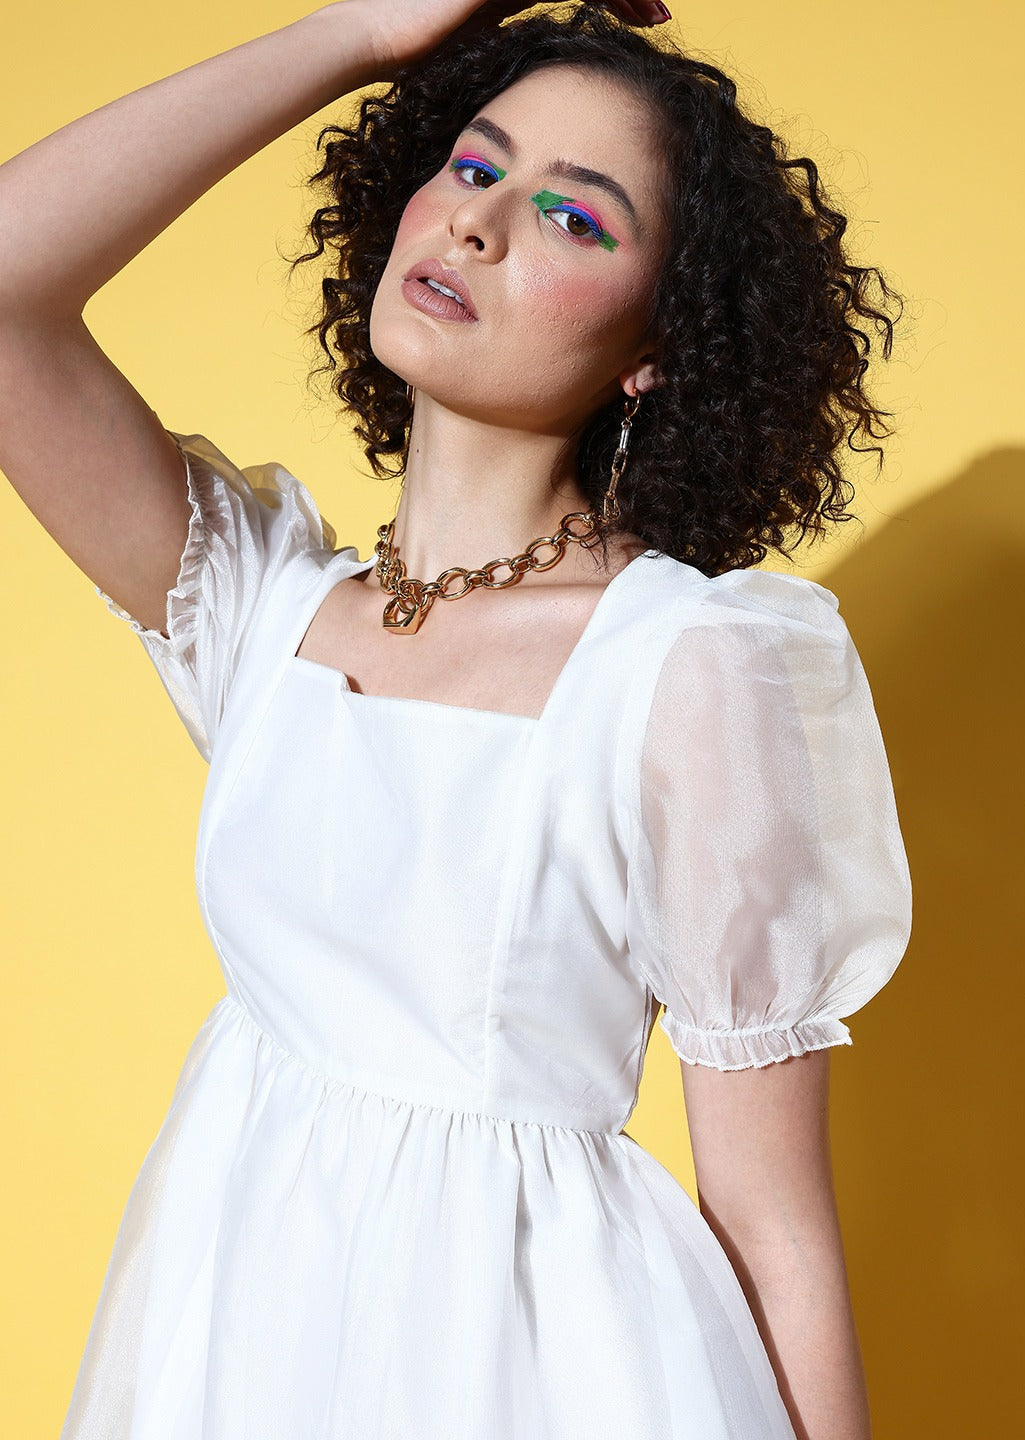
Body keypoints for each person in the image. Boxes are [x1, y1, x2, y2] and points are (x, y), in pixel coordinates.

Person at [0, 2, 912, 1436]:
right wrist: (363, 31)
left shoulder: (682, 665)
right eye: (476, 166)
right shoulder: (261, 610)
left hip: (528, 1375)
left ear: (657, 346)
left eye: (573, 216)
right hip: (229, 1354)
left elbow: (772, 1224)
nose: (479, 223)